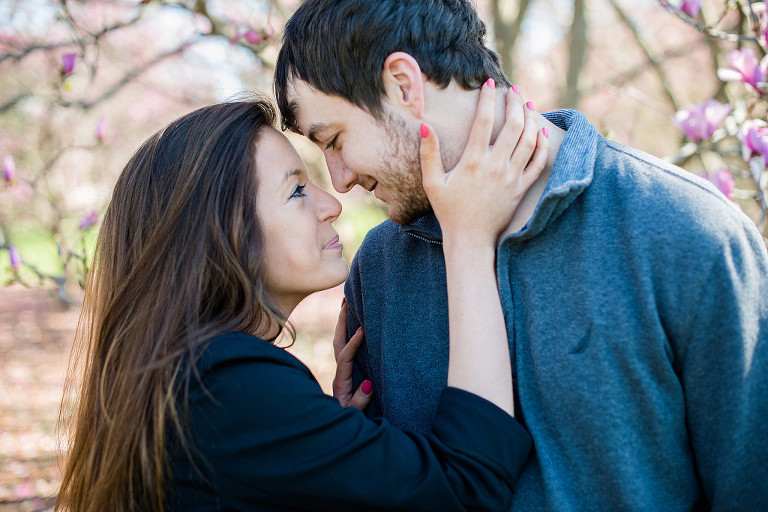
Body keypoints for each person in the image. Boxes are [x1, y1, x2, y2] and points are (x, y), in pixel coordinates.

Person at [273, 0, 768, 510]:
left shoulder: (687, 233)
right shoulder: (379, 268)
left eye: (333, 140)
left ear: (404, 85)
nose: (340, 179)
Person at [54, 90, 550, 512]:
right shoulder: (222, 383)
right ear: (222, 230)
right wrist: (468, 235)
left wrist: (329, 444)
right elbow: (464, 487)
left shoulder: (190, 374)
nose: (331, 203)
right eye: (296, 191)